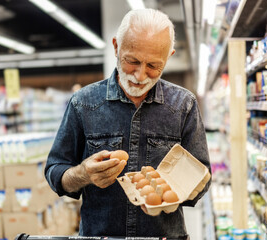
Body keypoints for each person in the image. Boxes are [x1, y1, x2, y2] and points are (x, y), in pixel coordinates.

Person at [45, 8, 211, 238]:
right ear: (116, 46)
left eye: (153, 66)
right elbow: (55, 172)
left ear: (169, 56)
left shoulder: (184, 105)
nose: (140, 75)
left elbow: (203, 178)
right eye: (132, 61)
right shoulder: (83, 104)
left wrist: (179, 189)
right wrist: (83, 174)